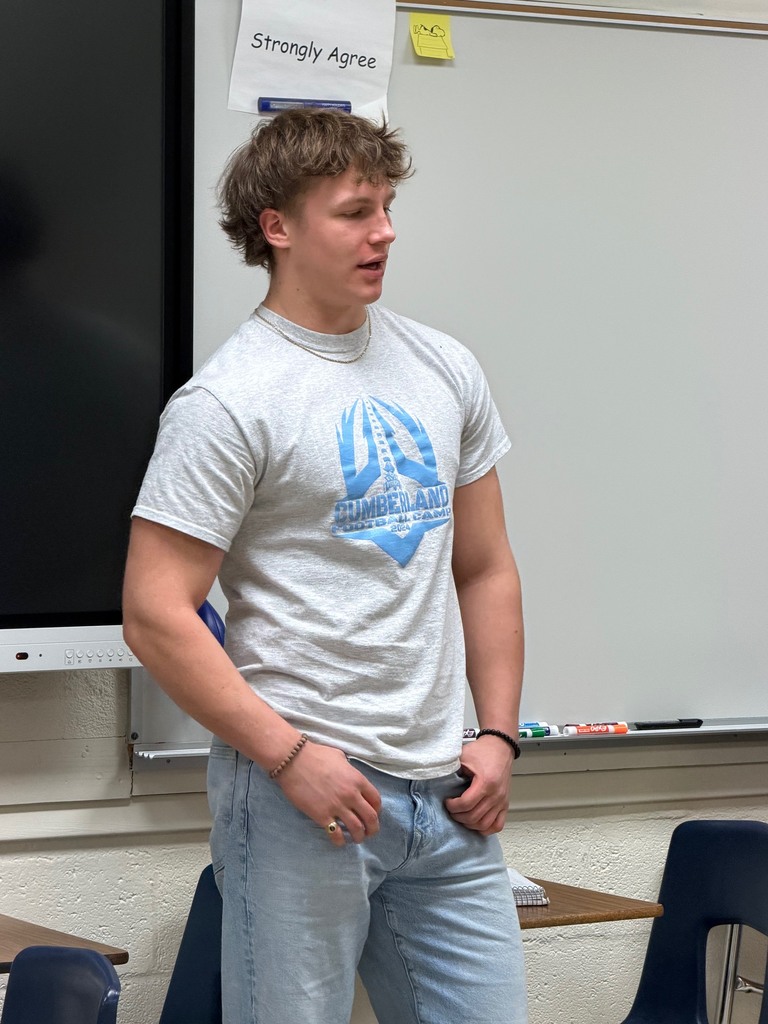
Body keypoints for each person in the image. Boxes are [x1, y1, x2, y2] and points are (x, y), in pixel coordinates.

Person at [123, 109, 527, 1024]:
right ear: (278, 226)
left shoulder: (443, 366)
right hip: (302, 796)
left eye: (387, 207)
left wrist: (497, 734)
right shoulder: (227, 402)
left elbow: (486, 567)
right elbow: (155, 612)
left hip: (449, 796)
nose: (384, 231)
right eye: (354, 212)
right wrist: (290, 755)